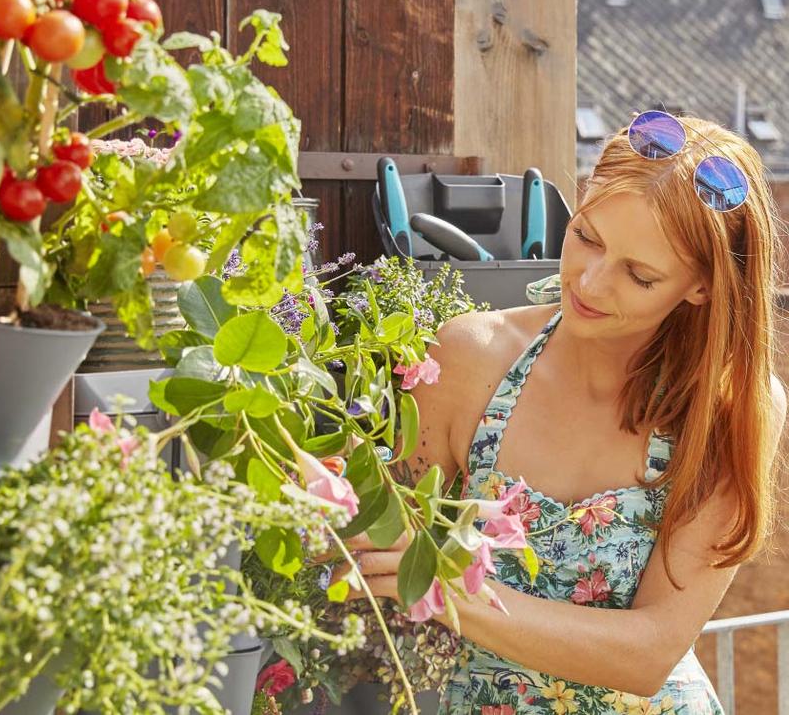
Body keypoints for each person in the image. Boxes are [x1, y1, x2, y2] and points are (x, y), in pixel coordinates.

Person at [338, 112, 789, 714]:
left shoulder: (734, 404)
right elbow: (383, 547)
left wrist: (450, 588)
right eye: (588, 237)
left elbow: (651, 653)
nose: (592, 284)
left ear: (700, 287)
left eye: (640, 274)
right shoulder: (469, 359)